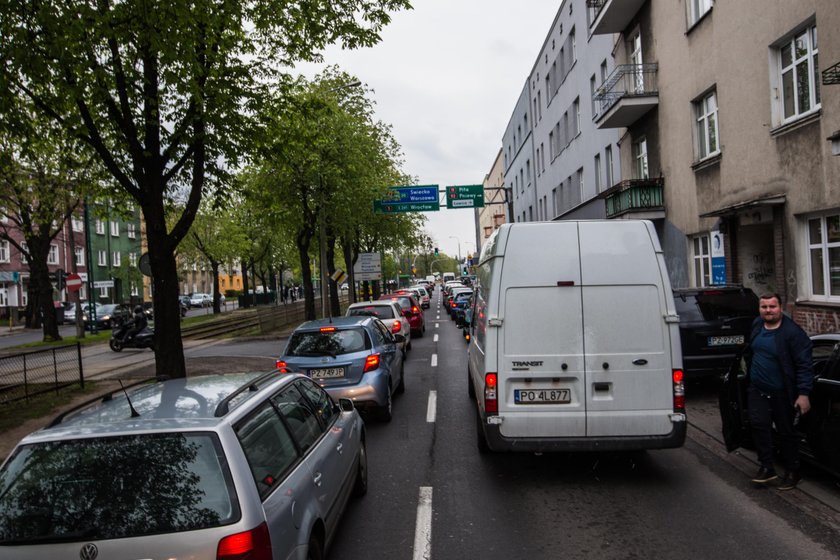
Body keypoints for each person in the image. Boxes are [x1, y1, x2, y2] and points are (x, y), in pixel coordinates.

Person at [746, 292, 813, 490]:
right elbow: (751, 352)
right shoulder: (757, 325)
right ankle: (767, 467)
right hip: (757, 389)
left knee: (786, 432)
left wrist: (803, 393)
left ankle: (793, 471)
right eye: (764, 307)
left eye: (772, 307)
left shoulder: (792, 333)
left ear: (780, 308)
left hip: (783, 393)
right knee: (758, 426)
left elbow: (804, 365)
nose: (768, 310)